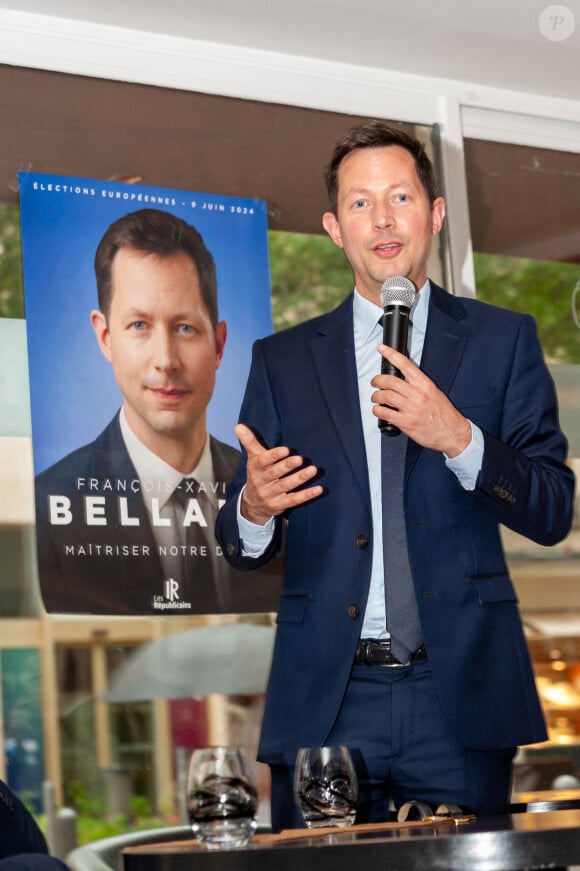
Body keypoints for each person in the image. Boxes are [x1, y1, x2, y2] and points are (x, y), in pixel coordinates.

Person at [216, 120, 576, 829]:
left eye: (400, 197)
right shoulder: (283, 362)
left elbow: (553, 508)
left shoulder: (503, 341)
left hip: (460, 691)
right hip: (327, 693)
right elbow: (237, 536)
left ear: (435, 214)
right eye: (359, 203)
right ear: (333, 227)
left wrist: (461, 437)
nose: (382, 219)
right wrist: (254, 507)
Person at [35, 208, 280, 616]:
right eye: (139, 326)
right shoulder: (47, 506)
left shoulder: (269, 492)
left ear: (218, 345)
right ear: (105, 337)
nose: (165, 360)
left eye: (185, 327)